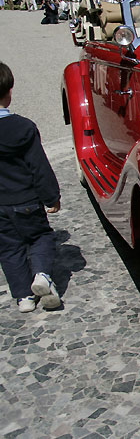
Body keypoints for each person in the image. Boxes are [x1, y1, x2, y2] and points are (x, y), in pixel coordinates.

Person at [0, 62, 62, 313]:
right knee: (41, 236)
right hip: (25, 199)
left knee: (8, 248)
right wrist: (51, 197)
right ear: (10, 91)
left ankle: (24, 297)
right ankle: (42, 276)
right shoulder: (23, 127)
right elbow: (38, 166)